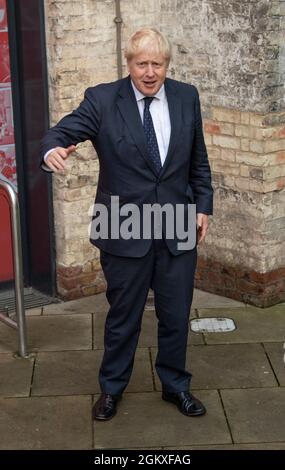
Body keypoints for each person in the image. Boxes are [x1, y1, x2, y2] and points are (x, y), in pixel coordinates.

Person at [40, 28, 213, 421]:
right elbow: (62, 131)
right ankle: (112, 389)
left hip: (177, 224)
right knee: (123, 317)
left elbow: (198, 160)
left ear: (167, 64)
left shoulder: (186, 96)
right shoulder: (102, 99)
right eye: (141, 64)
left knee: (176, 313)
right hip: (123, 225)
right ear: (128, 62)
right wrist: (52, 148)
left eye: (157, 64)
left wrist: (203, 205)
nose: (149, 73)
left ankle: (176, 386)